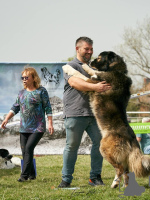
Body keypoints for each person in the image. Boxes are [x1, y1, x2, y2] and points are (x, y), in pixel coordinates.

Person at [58, 36, 112, 188]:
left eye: (91, 49)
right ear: (77, 49)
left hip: (94, 114)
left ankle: (95, 177)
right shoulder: (71, 66)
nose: (89, 51)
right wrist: (96, 87)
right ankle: (66, 180)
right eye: (86, 49)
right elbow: (76, 82)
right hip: (75, 113)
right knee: (72, 146)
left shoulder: (93, 69)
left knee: (100, 143)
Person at [1, 66, 54, 182]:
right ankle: (32, 175)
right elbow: (15, 107)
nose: (24, 79)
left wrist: (50, 123)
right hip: (24, 128)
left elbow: (48, 108)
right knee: (25, 151)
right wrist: (6, 119)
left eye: (26, 77)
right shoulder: (21, 93)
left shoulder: (41, 91)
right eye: (22, 77)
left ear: (33, 78)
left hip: (38, 127)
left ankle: (23, 176)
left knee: (29, 149)